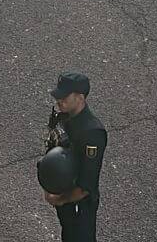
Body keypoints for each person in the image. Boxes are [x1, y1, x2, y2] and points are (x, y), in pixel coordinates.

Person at [44, 73, 105, 242]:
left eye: (64, 96)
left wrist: (61, 199)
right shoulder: (64, 117)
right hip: (64, 195)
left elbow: (86, 185)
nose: (59, 100)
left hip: (79, 203)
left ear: (80, 98)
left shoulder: (92, 133)